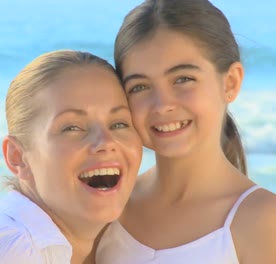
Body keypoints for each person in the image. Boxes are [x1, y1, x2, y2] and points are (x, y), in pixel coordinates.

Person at [0, 50, 143, 264]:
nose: (106, 141)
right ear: (18, 157)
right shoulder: (13, 252)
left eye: (119, 123)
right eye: (72, 128)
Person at [95, 0, 276, 263]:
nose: (162, 105)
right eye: (140, 87)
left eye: (183, 79)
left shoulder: (263, 221)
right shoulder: (109, 203)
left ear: (231, 82)